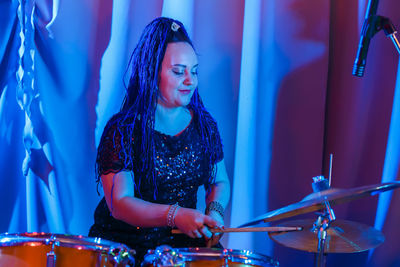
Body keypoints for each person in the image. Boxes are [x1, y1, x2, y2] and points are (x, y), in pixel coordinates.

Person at [88, 17, 230, 265]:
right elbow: (120, 204)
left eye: (194, 71)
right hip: (128, 250)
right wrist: (175, 215)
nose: (190, 80)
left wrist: (215, 213)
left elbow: (220, 180)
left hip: (181, 250)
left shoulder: (204, 125)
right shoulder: (124, 130)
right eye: (179, 71)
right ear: (153, 72)